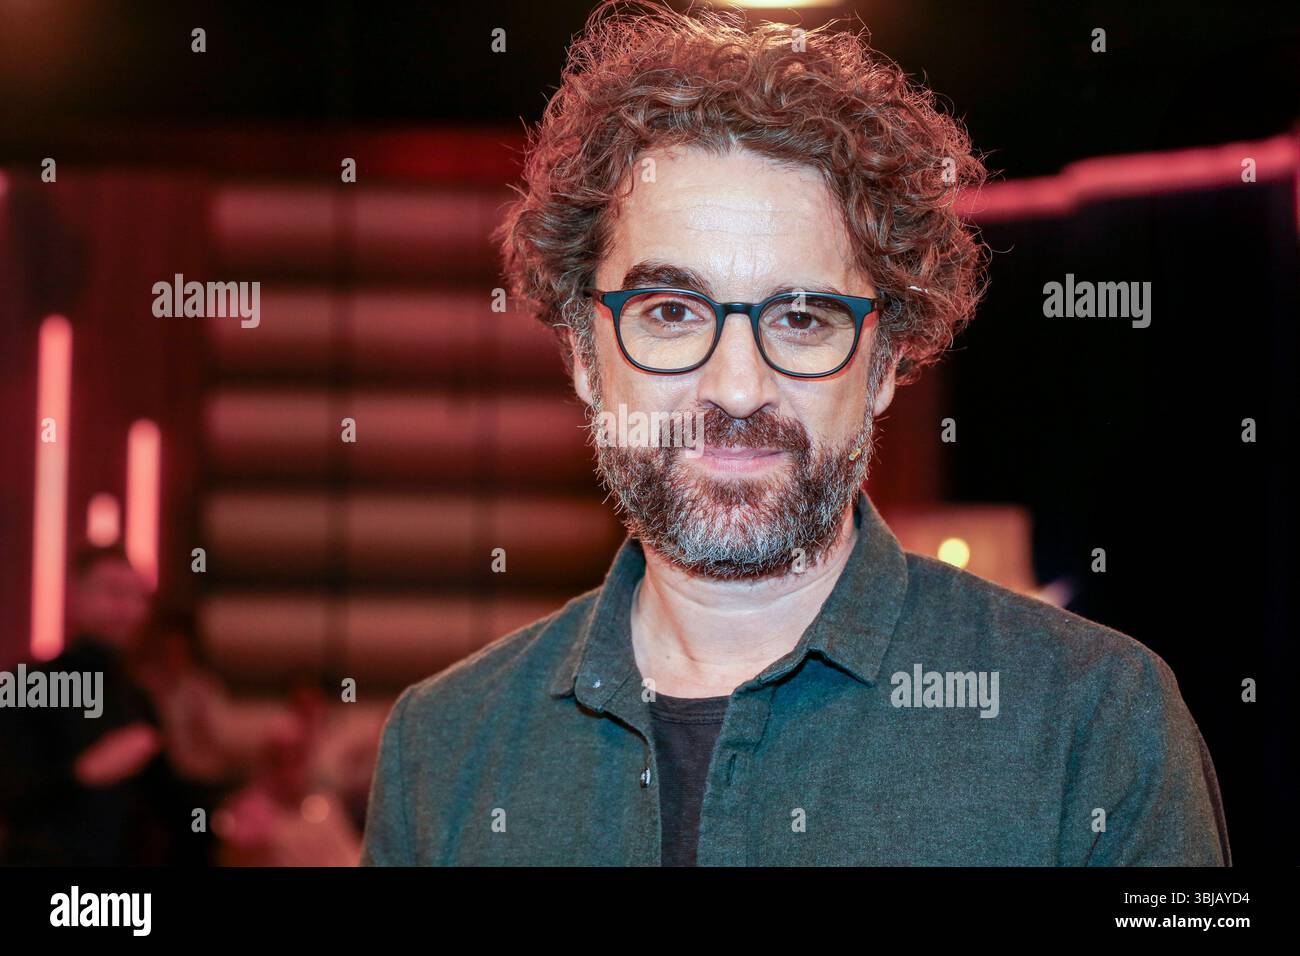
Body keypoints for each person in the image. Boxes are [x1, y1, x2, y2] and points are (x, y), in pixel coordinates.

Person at [360, 1, 1230, 866]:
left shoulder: (1097, 723)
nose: (739, 388)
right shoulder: (441, 753)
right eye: (670, 310)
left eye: (804, 317)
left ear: (886, 361)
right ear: (585, 355)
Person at [0, 546, 207, 865]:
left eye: (137, 597)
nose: (126, 609)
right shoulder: (27, 684)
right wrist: (86, 771)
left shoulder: (135, 698)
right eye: (113, 592)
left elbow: (174, 808)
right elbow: (14, 798)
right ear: (74, 595)